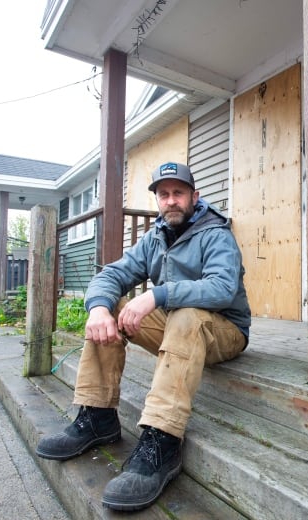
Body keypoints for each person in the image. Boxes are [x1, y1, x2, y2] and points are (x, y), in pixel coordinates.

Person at [36, 162, 251, 511]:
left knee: (185, 314)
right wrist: (98, 309)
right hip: (180, 329)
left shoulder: (216, 233)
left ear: (194, 197)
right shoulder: (154, 238)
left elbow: (222, 288)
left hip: (224, 332)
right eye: (163, 194)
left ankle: (162, 440)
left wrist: (157, 295)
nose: (171, 201)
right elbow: (112, 275)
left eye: (178, 193)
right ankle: (97, 416)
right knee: (115, 307)